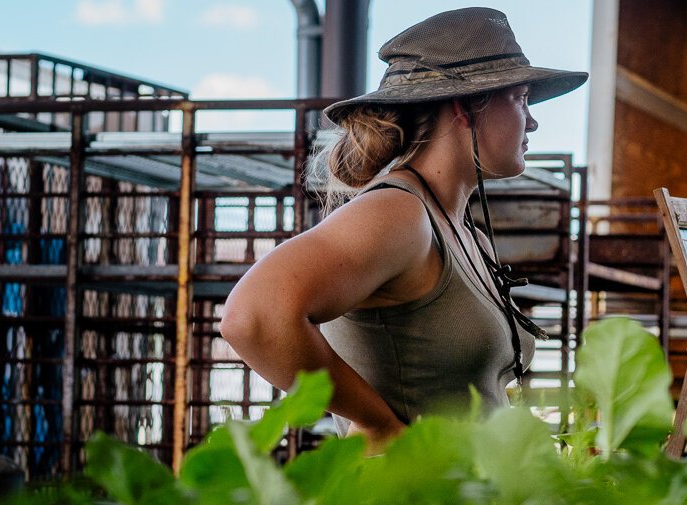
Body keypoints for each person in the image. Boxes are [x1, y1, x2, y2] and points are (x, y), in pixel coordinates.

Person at [219, 7, 586, 451]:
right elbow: (253, 316)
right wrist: (379, 426)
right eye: (521, 98)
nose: (532, 121)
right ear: (467, 107)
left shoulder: (468, 234)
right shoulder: (399, 213)